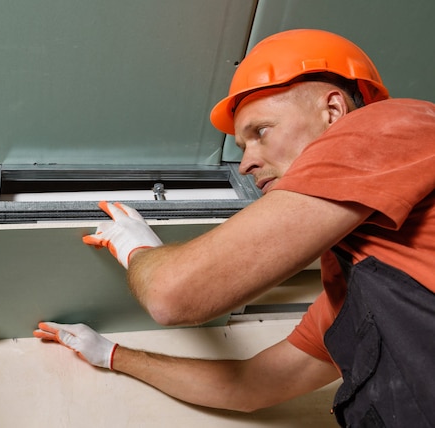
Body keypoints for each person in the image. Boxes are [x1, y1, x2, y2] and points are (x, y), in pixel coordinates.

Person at [34, 29, 435, 427]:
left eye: (260, 132)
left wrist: (138, 250)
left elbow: (172, 295)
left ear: (333, 111)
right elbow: (250, 388)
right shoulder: (352, 294)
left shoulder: (392, 125)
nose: (245, 164)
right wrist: (111, 354)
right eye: (243, 148)